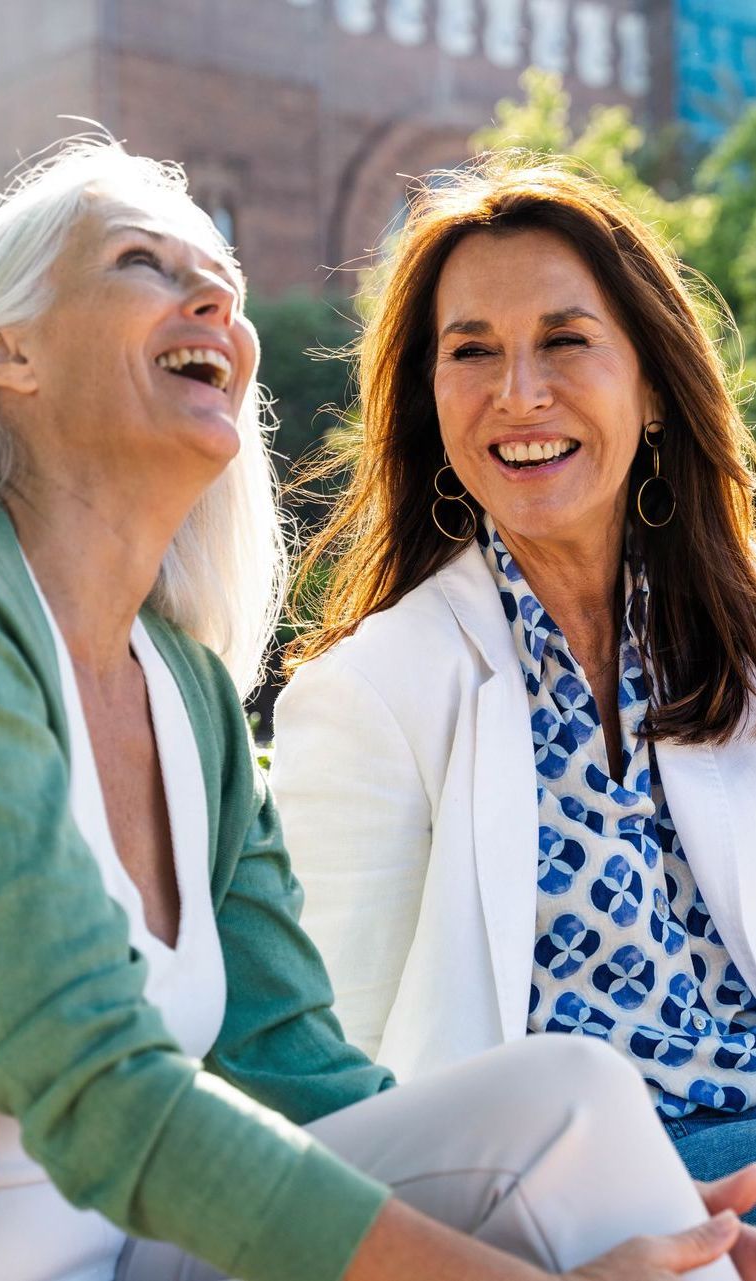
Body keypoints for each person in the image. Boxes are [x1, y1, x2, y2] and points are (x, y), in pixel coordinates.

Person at [0, 136, 754, 1281]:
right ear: (7, 351)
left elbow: (309, 1078)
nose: (216, 297)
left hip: (142, 1260)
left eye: (225, 280)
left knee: (568, 1103)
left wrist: (613, 1204)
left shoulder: (187, 691)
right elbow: (101, 1094)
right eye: (144, 264)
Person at [271, 154, 756, 1200]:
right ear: (431, 403)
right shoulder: (369, 695)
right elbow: (322, 1089)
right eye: (471, 352)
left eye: (564, 341)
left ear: (656, 391)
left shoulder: (734, 650)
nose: (517, 393)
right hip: (577, 1210)